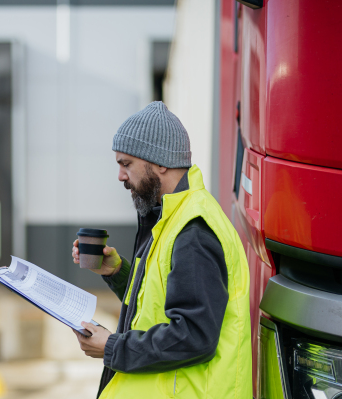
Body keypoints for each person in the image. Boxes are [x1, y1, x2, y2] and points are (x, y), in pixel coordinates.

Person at [71, 101, 251, 398]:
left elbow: (194, 335)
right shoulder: (173, 216)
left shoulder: (193, 230)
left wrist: (113, 346)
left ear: (160, 162)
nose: (120, 175)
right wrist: (117, 272)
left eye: (126, 163)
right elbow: (161, 301)